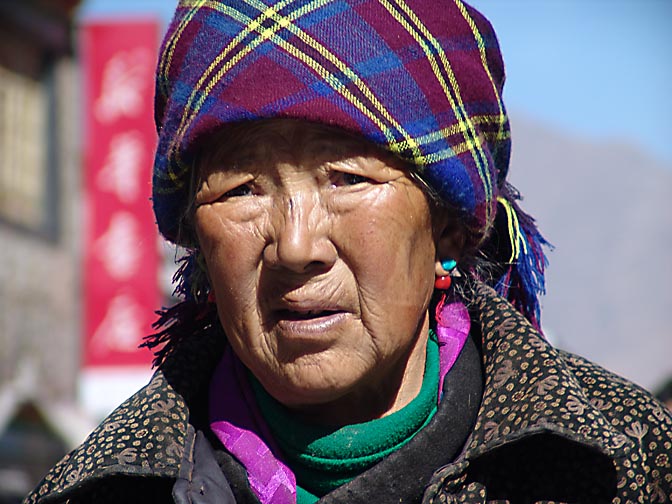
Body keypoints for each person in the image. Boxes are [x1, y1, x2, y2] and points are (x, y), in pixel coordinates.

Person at [26, 1, 672, 503]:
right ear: (194, 233)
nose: (296, 247)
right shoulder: (99, 487)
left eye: (348, 180)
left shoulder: (625, 459)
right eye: (242, 189)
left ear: (449, 225)